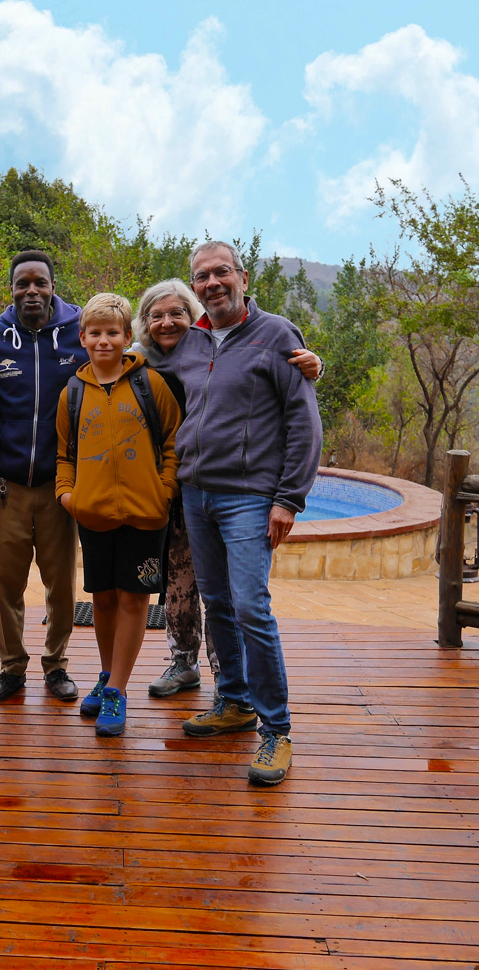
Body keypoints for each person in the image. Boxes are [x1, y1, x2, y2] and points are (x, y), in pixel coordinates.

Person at [173, 241, 322, 785]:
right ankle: (234, 702)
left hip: (249, 497)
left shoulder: (277, 334)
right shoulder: (189, 341)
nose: (211, 283)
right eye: (201, 277)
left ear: (242, 275)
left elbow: (304, 422)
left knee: (252, 607)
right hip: (197, 492)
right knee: (218, 602)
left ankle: (276, 731)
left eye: (220, 273)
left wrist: (288, 498)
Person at [132, 280, 323, 701]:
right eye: (156, 315)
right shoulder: (141, 363)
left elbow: (282, 390)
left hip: (232, 490)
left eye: (176, 313)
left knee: (243, 603)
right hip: (172, 490)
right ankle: (191, 667)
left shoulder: (214, 345)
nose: (167, 322)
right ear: (144, 322)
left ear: (194, 315)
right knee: (184, 584)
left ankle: (237, 689)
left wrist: (311, 365)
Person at [0, 250, 88, 704]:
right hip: (8, 484)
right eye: (22, 284)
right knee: (7, 585)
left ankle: (56, 665)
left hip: (60, 486)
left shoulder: (79, 332)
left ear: (53, 285)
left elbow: (118, 357)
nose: (31, 291)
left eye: (39, 282)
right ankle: (12, 668)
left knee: (62, 584)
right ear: (10, 288)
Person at [55, 293, 181, 736]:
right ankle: (109, 675)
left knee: (133, 599)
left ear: (128, 337)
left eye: (113, 333)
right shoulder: (73, 391)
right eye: (96, 333)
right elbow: (64, 455)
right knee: (104, 598)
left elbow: (172, 444)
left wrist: (164, 491)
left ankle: (118, 690)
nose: (104, 340)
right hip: (94, 516)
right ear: (83, 337)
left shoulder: (150, 384)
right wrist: (69, 496)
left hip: (147, 515)